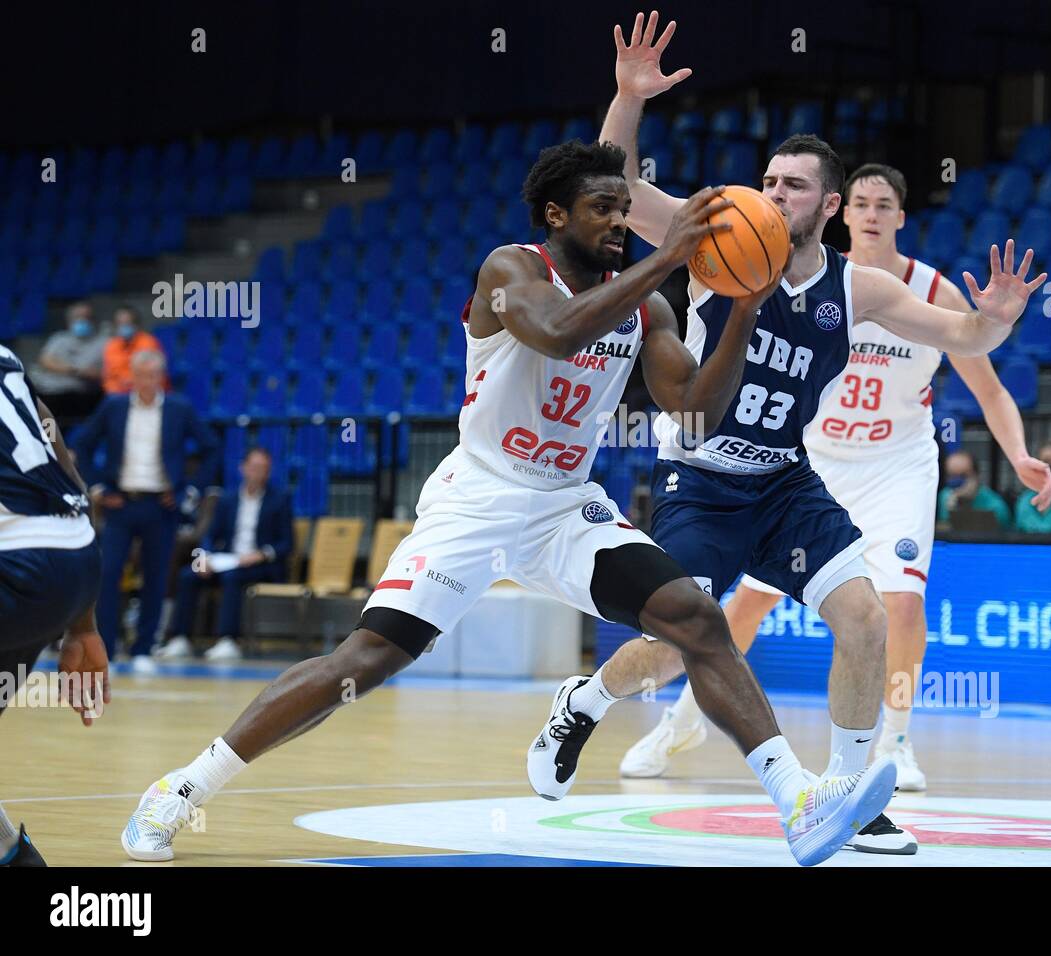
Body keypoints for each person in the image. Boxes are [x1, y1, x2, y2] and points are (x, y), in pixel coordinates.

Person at [122, 140, 900, 868]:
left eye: (624, 210)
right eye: (604, 209)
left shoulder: (649, 307)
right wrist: (670, 256)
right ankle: (185, 786)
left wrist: (745, 308)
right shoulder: (510, 270)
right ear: (557, 216)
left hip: (565, 509)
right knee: (362, 663)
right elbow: (558, 333)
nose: (619, 223)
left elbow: (695, 409)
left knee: (695, 620)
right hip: (479, 499)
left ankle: (798, 801)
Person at [530, 11, 1044, 856]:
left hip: (784, 481)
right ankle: (582, 703)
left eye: (794, 186)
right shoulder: (713, 235)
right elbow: (614, 181)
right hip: (700, 481)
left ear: (830, 206)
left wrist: (992, 320)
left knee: (867, 619)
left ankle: (847, 797)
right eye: (769, 180)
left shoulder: (857, 288)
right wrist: (627, 97)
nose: (774, 195)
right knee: (669, 652)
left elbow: (963, 342)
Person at [620, 162, 1051, 813]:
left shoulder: (923, 288)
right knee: (741, 610)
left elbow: (986, 380)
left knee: (899, 604)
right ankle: (680, 721)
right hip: (816, 457)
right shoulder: (790, 267)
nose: (873, 213)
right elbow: (633, 199)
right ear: (840, 211)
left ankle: (895, 742)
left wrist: (1017, 450)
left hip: (897, 465)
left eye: (886, 203)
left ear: (901, 217)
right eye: (863, 203)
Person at [0, 343, 109, 867]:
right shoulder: (5, 359)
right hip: (73, 560)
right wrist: (82, 623)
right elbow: (57, 452)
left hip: (18, 566)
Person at [73, 350, 216, 672]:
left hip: (161, 505)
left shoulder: (179, 409)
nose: (147, 382)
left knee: (156, 576)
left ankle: (143, 649)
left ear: (161, 378)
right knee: (108, 574)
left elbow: (211, 448)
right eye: (141, 375)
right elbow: (82, 444)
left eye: (153, 376)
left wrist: (188, 491)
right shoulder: (114, 406)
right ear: (132, 377)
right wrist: (97, 488)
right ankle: (107, 648)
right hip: (120, 503)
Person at [157, 447, 293, 663]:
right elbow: (210, 536)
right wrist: (204, 556)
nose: (258, 473)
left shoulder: (280, 499)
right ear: (243, 468)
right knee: (188, 575)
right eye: (255, 467)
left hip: (259, 564)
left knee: (233, 578)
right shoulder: (228, 499)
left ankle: (227, 640)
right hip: (227, 560)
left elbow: (286, 543)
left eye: (264, 469)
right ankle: (179, 638)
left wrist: (261, 554)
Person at [27, 300, 110, 423]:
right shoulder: (59, 338)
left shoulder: (104, 343)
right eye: (77, 317)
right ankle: (50, 440)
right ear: (69, 320)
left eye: (86, 317)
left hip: (82, 396)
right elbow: (45, 361)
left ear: (93, 320)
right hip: (49, 392)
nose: (82, 321)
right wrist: (75, 370)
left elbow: (103, 373)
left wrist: (64, 368)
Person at [937, 449, 1011, 528]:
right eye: (952, 476)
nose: (957, 481)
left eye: (963, 475)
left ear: (977, 476)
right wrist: (953, 508)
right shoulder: (944, 496)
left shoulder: (995, 505)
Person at [101, 306, 164, 396]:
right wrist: (118, 390)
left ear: (136, 325)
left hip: (144, 393)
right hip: (118, 394)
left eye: (127, 323)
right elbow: (108, 377)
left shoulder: (148, 342)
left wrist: (132, 382)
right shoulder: (111, 345)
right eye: (120, 323)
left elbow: (153, 374)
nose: (123, 327)